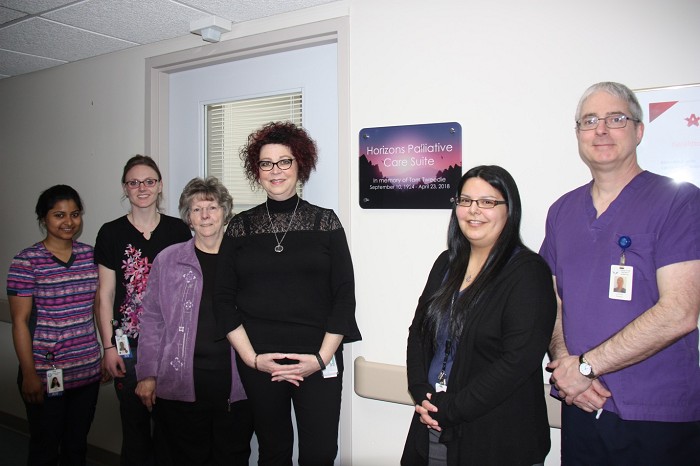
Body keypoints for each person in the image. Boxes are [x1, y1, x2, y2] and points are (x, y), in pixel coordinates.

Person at [541, 82, 700, 465]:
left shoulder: (681, 202)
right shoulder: (562, 211)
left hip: (656, 416)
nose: (601, 130)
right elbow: (551, 300)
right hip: (581, 408)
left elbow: (680, 311)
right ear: (577, 134)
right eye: (589, 121)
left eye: (616, 119)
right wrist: (568, 372)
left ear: (639, 130)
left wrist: (585, 367)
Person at [215, 121, 362, 465]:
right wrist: (251, 359)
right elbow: (222, 299)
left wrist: (322, 358)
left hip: (318, 359)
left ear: (300, 166)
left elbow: (344, 296)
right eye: (266, 163)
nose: (275, 171)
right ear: (257, 170)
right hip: (260, 363)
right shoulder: (240, 226)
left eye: (285, 161)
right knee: (273, 451)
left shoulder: (326, 222)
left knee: (320, 453)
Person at [401, 166, 556, 466]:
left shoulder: (527, 272)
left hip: (497, 434)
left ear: (509, 210)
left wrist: (449, 408)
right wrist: (422, 394)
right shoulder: (446, 264)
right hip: (433, 419)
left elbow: (517, 362)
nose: (474, 211)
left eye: (488, 202)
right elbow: (418, 334)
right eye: (465, 200)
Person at [135, 177, 254, 465]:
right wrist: (147, 374)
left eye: (212, 207)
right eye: (196, 209)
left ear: (225, 212)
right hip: (180, 386)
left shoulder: (245, 258)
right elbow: (152, 320)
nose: (205, 216)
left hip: (237, 384)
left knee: (231, 457)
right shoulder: (169, 260)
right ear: (188, 217)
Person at [95, 155, 192, 465]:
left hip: (171, 345)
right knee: (135, 428)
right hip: (128, 349)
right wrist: (109, 347)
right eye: (134, 182)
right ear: (126, 188)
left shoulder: (178, 230)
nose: (142, 188)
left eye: (149, 181)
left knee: (171, 430)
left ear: (160, 185)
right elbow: (105, 294)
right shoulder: (110, 233)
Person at [7, 184, 102, 465]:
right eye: (59, 215)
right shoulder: (26, 262)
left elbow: (97, 308)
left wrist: (104, 355)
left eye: (74, 214)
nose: (68, 222)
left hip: (86, 372)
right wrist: (28, 374)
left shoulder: (90, 256)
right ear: (43, 218)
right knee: (44, 448)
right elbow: (20, 323)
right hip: (45, 375)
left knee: (76, 447)